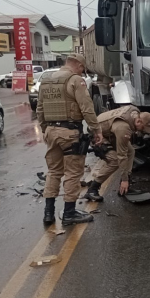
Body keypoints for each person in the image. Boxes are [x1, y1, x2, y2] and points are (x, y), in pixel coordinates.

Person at [37, 54, 102, 225]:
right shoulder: (75, 81)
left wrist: (46, 130)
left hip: (51, 131)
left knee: (53, 172)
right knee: (73, 173)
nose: (82, 72)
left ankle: (48, 214)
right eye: (82, 69)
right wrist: (96, 130)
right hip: (69, 132)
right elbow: (87, 109)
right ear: (79, 65)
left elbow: (40, 109)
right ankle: (69, 213)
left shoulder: (47, 80)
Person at [84, 105, 150, 201]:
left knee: (131, 151)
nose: (142, 131)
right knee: (115, 160)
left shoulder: (135, 112)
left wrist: (126, 179)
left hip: (109, 132)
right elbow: (122, 156)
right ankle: (92, 189)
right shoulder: (123, 128)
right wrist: (124, 179)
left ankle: (125, 188)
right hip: (97, 134)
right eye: (142, 128)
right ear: (138, 121)